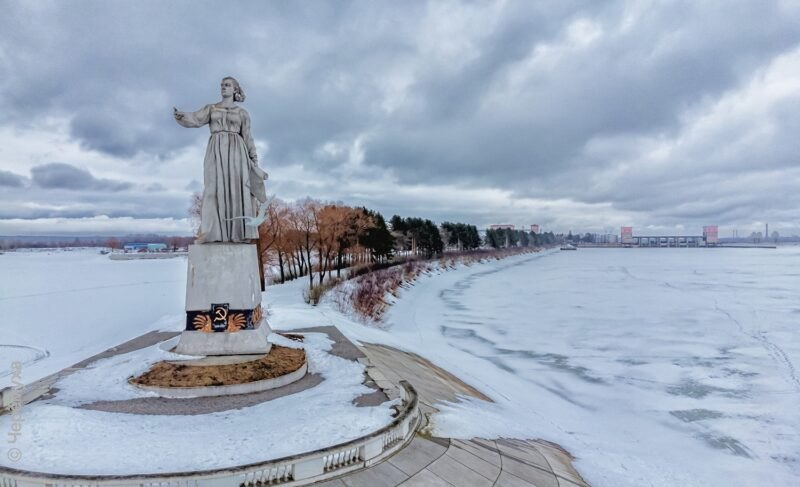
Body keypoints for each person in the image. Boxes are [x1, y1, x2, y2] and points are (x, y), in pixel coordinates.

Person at [174, 77, 268, 243]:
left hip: (237, 154)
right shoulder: (211, 108)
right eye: (222, 85)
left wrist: (254, 160)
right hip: (216, 151)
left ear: (235, 90)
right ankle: (210, 232)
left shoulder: (242, 114)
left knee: (236, 192)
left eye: (227, 85)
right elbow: (195, 119)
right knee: (213, 190)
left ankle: (239, 233)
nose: (223, 88)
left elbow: (248, 137)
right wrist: (182, 116)